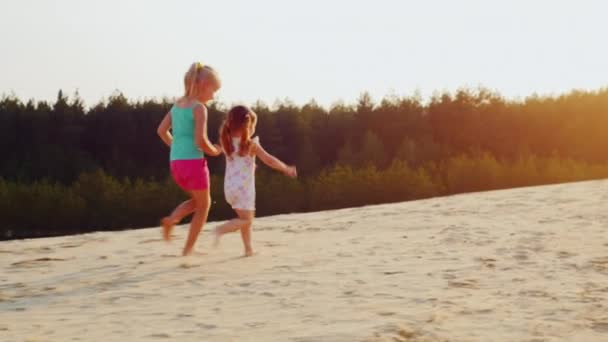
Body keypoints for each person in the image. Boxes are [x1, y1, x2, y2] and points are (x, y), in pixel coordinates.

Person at [156, 62, 222, 256]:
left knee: (197, 201)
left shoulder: (176, 106)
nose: (214, 95)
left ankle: (172, 219)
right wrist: (215, 151)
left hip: (176, 163)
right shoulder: (199, 108)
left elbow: (161, 131)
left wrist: (177, 148)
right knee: (205, 205)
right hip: (194, 163)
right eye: (214, 90)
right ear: (204, 85)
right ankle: (188, 249)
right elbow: (201, 141)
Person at [213, 105, 297, 256]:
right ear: (247, 126)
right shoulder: (252, 144)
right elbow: (269, 160)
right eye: (253, 126)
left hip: (230, 188)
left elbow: (239, 162)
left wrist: (251, 165)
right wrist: (286, 168)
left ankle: (248, 249)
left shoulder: (227, 141)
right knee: (248, 220)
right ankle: (220, 230)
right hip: (244, 189)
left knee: (244, 219)